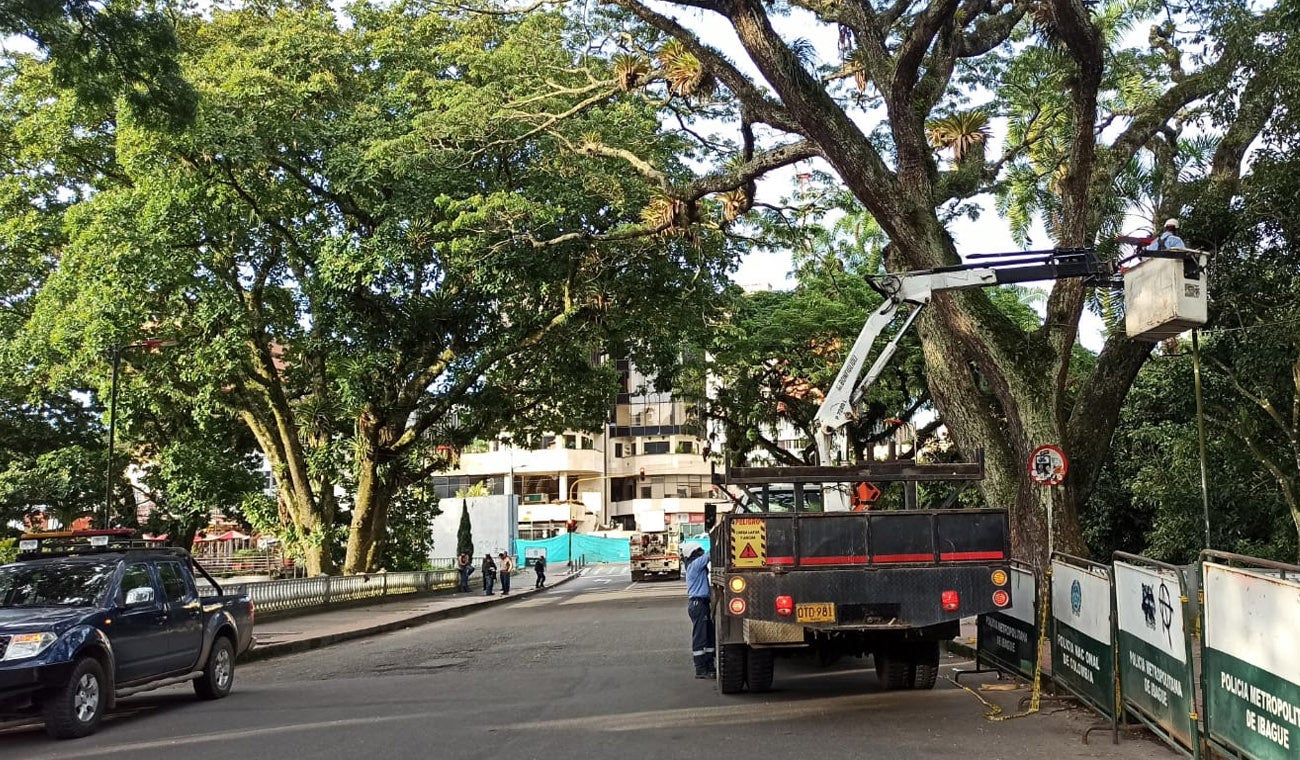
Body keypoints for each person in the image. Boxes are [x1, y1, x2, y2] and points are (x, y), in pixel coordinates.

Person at [683, 542, 714, 679]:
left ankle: (708, 665)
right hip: (698, 604)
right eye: (699, 551)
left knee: (708, 635)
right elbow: (709, 556)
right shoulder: (695, 565)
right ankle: (700, 668)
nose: (701, 552)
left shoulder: (693, 566)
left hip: (701, 604)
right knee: (700, 636)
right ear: (693, 554)